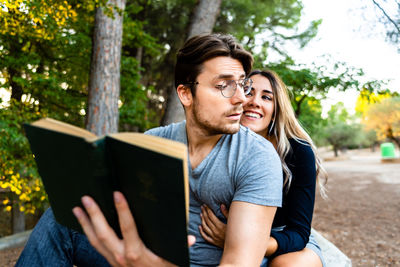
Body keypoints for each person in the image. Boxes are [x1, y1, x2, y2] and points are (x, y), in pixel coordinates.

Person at [16, 34, 283, 267]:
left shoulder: (256, 157)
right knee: (67, 216)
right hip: (143, 259)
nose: (241, 98)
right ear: (186, 94)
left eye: (242, 84)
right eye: (224, 85)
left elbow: (239, 264)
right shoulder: (153, 142)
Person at [198, 69, 327, 267]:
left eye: (267, 97)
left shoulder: (298, 152)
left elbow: (299, 232)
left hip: (282, 239)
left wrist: (240, 242)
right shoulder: (215, 142)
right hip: (224, 234)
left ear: (276, 110)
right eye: (248, 92)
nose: (255, 102)